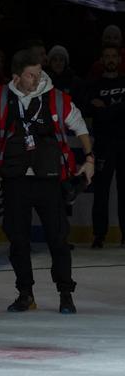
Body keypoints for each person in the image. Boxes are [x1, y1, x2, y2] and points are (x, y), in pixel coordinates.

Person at [0, 49, 94, 314]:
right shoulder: (1, 98)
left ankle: (65, 294)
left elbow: (80, 126)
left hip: (49, 180)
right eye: (30, 75)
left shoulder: (57, 99)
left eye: (39, 73)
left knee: (58, 239)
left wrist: (90, 158)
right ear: (16, 76)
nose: (37, 79)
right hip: (15, 180)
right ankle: (25, 294)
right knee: (18, 240)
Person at [85, 45, 125, 248]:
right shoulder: (94, 84)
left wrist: (107, 109)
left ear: (119, 59)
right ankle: (99, 234)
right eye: (107, 56)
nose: (110, 59)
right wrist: (117, 109)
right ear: (102, 59)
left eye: (114, 56)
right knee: (101, 192)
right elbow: (90, 109)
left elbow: (104, 113)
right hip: (103, 145)